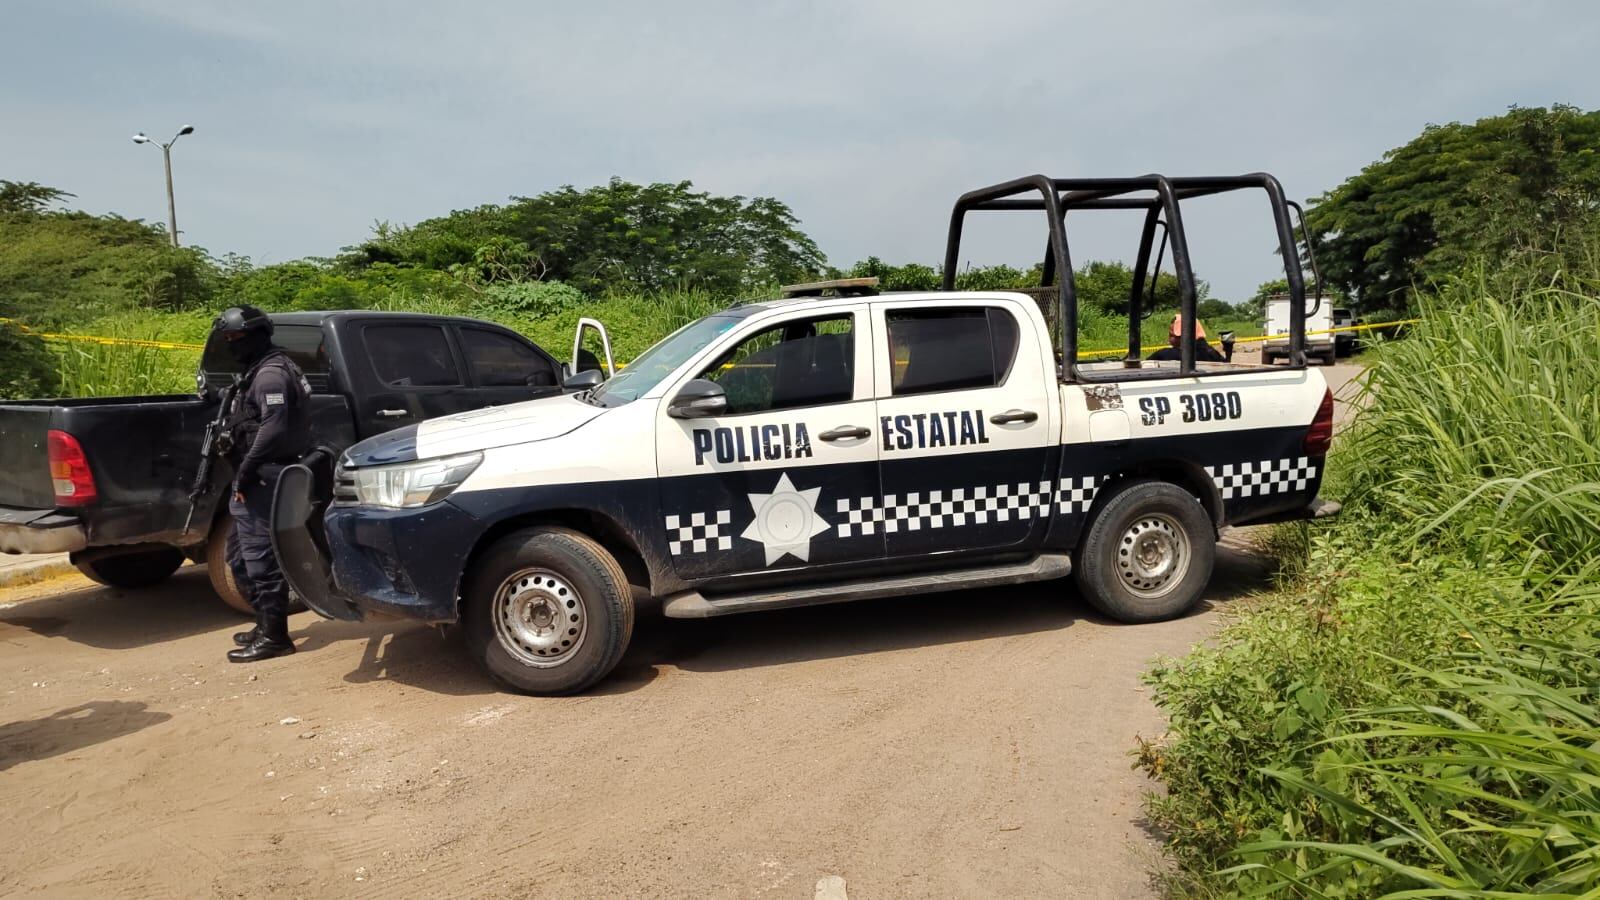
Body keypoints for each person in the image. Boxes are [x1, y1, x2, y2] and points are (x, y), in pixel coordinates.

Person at [215, 306, 312, 662]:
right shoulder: (258, 370)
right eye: (227, 340)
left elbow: (274, 428)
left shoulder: (271, 375)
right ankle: (264, 623)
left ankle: (275, 636)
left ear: (258, 335)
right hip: (256, 475)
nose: (232, 345)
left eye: (236, 338)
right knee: (238, 555)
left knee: (259, 559)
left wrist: (246, 470)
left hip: (263, 476)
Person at [1148, 311, 1225, 363]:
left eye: (1171, 335)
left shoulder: (1166, 354)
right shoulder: (1213, 354)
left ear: (1184, 335)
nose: (1169, 339)